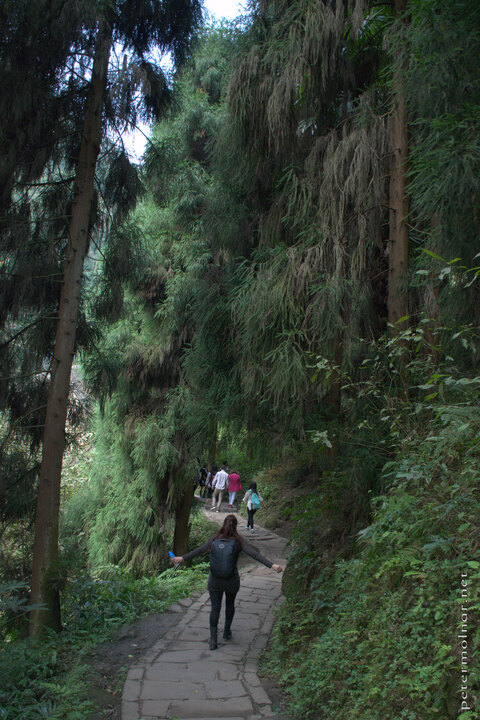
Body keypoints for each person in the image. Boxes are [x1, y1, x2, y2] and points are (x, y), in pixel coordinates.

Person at [170, 514, 282, 650]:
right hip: (231, 579)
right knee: (230, 604)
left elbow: (199, 551)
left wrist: (182, 558)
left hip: (215, 580)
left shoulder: (215, 539)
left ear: (223, 524)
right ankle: (226, 632)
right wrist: (272, 566)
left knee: (215, 608)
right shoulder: (238, 541)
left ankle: (213, 641)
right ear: (235, 526)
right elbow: (254, 554)